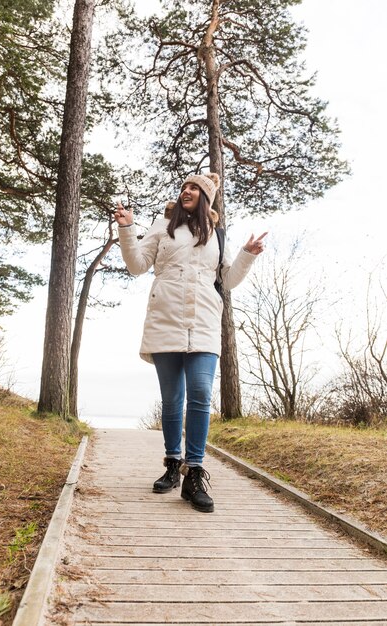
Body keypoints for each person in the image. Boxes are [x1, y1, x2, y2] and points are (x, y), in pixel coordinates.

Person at [114, 172, 266, 513]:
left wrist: (247, 254)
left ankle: (193, 472)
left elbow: (227, 279)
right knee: (172, 399)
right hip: (165, 320)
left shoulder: (217, 235)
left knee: (199, 392)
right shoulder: (162, 225)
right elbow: (136, 265)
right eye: (184, 186)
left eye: (194, 187)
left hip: (204, 323)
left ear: (206, 198)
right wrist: (127, 228)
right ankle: (172, 463)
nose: (186, 191)